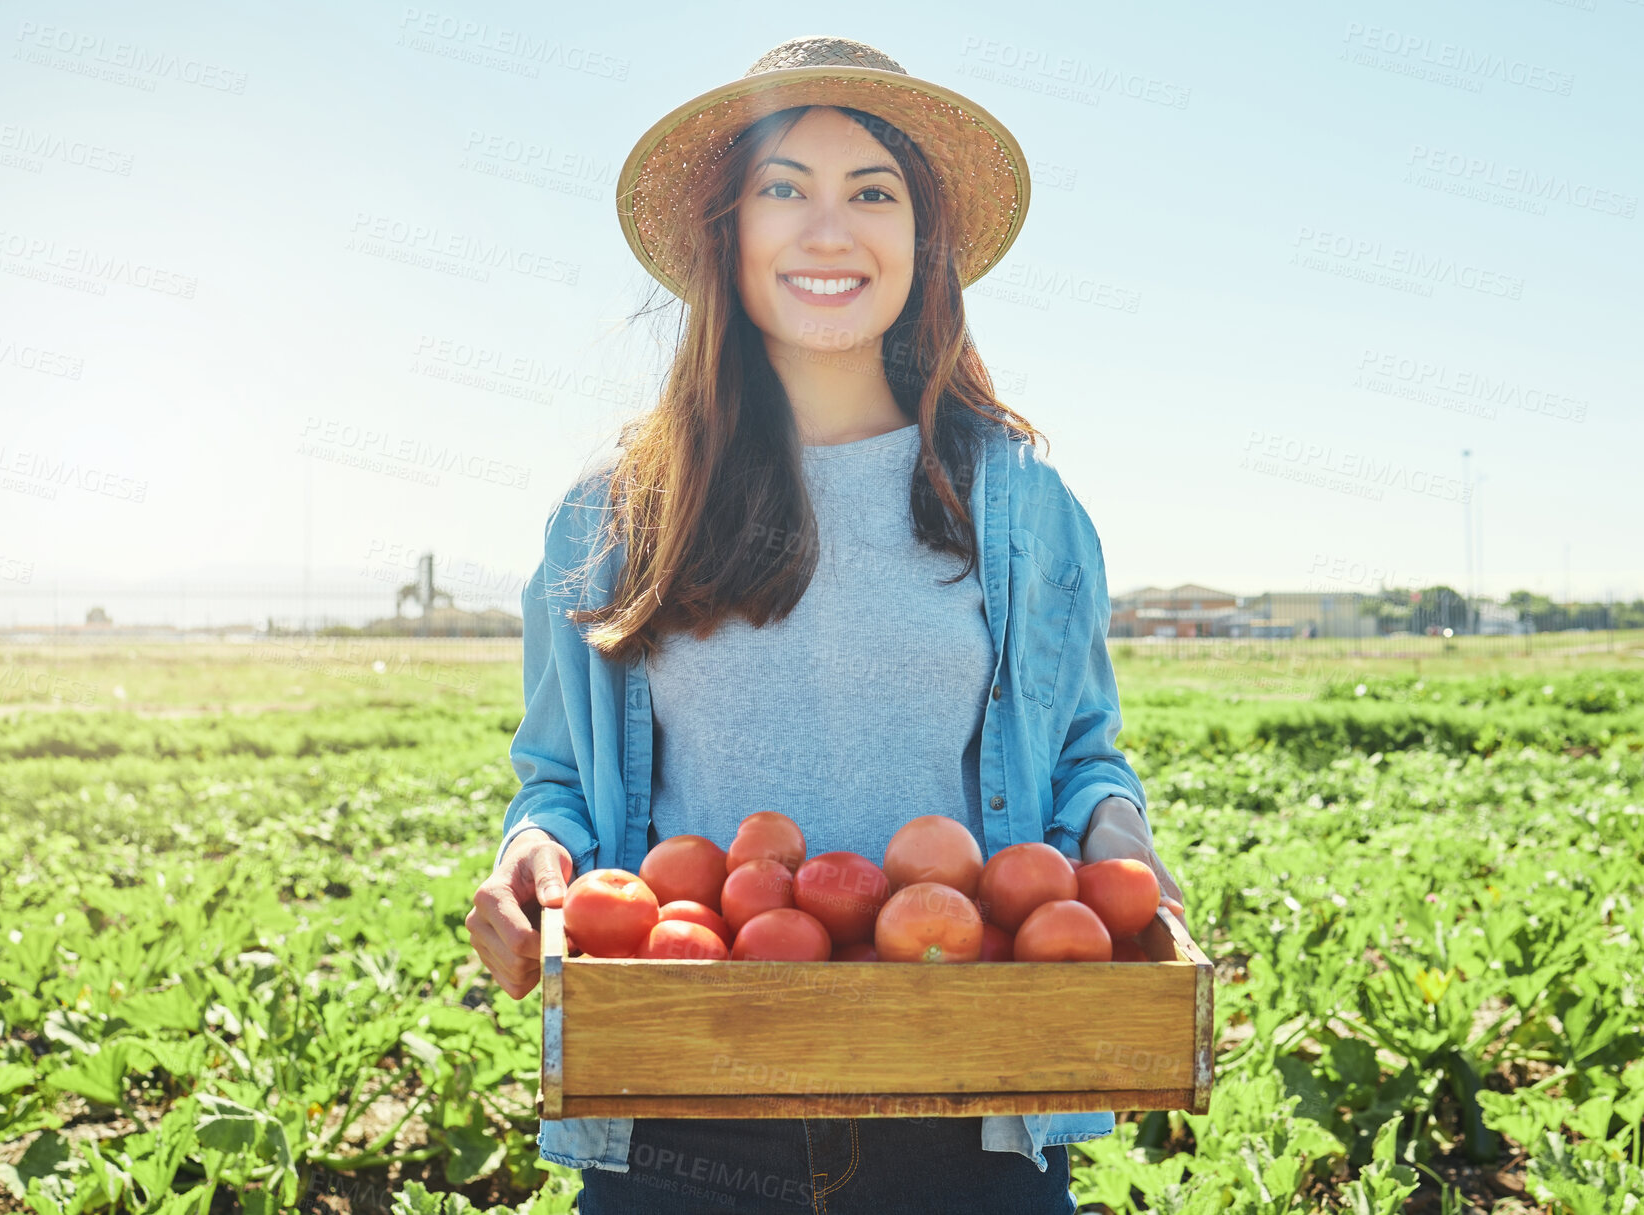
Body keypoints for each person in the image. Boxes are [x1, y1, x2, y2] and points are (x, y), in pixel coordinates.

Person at [465, 34, 1185, 1215]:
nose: (828, 228)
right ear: (728, 235)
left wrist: (1112, 833)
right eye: (782, 190)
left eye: (872, 192)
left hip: (968, 1105)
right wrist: (527, 853)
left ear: (922, 241)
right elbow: (553, 776)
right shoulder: (611, 514)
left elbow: (1081, 757)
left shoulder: (1020, 508)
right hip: (683, 1104)